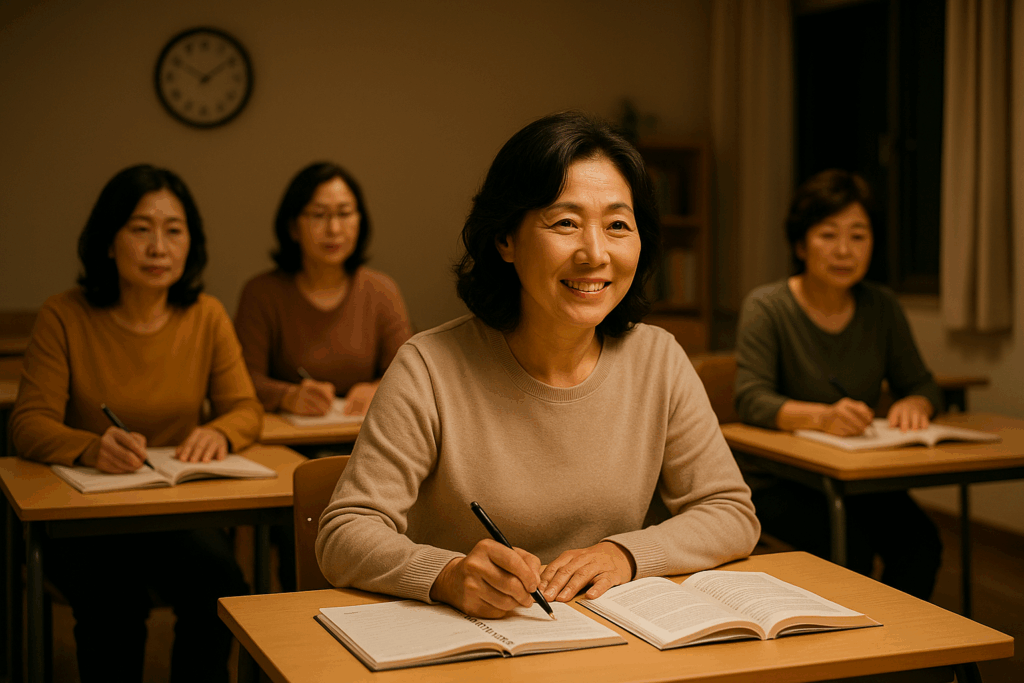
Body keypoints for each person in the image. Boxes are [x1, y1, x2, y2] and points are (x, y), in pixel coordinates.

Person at [316, 111, 760, 618]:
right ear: (506, 239)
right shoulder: (429, 368)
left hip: (613, 636)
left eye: (618, 225)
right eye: (565, 223)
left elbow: (730, 512)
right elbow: (344, 533)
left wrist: (624, 555)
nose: (595, 253)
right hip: (472, 635)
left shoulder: (658, 359)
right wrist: (447, 575)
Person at [10, 164, 261, 683]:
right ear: (108, 241)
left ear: (191, 244)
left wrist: (219, 431)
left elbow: (246, 409)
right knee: (113, 603)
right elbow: (28, 423)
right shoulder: (64, 315)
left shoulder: (206, 315)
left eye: (174, 230)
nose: (158, 247)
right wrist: (90, 447)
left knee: (221, 583)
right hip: (87, 515)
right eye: (140, 229)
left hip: (173, 511)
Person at [733, 169, 943, 600]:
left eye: (858, 236)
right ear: (800, 245)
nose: (844, 250)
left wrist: (917, 403)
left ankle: (897, 635)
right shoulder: (768, 306)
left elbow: (921, 382)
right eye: (828, 235)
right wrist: (822, 417)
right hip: (780, 479)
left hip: (856, 476)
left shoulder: (881, 306)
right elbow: (751, 399)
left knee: (921, 545)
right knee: (851, 549)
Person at [234, 162, 413, 419]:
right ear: (293, 227)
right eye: (319, 215)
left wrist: (378, 388)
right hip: (289, 434)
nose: (334, 229)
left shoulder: (382, 290)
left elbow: (408, 374)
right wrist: (287, 395)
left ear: (360, 220)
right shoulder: (261, 293)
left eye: (344, 213)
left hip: (362, 430)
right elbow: (242, 381)